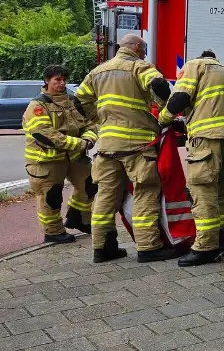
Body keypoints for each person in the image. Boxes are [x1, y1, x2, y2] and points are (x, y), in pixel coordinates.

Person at [76, 33, 180, 263]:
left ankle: (102, 248)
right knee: (146, 190)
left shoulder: (98, 71)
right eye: (143, 50)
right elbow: (159, 84)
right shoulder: (139, 67)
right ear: (135, 47)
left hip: (107, 145)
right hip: (137, 144)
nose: (144, 53)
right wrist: (165, 108)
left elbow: (78, 100)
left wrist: (98, 119)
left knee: (105, 195)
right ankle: (148, 247)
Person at [158, 50, 224, 267]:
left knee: (202, 191)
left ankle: (205, 247)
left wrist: (163, 118)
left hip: (206, 141)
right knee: (222, 195)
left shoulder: (195, 66)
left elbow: (180, 98)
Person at [22, 65, 98, 244]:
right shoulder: (38, 105)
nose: (61, 83)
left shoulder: (72, 101)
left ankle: (78, 218)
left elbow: (89, 124)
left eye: (64, 79)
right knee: (52, 196)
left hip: (73, 157)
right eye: (57, 80)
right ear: (47, 81)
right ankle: (53, 232)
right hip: (46, 161)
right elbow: (45, 135)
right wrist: (80, 144)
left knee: (91, 183)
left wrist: (89, 138)